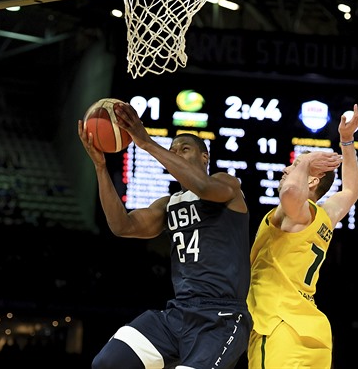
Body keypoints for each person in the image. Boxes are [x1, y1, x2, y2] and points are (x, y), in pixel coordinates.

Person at [78, 101, 253, 369]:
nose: (176, 153)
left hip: (221, 317)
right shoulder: (168, 204)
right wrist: (101, 168)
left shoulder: (226, 184)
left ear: (204, 157)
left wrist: (147, 143)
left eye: (184, 149)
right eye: (172, 150)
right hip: (178, 313)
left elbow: (203, 186)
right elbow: (121, 226)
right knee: (107, 363)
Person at [247, 101, 358, 369]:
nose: (286, 171)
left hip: (279, 327)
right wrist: (347, 141)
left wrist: (306, 162)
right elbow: (352, 191)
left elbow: (290, 193)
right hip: (314, 333)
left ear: (312, 181)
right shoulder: (325, 215)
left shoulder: (298, 214)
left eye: (293, 167)